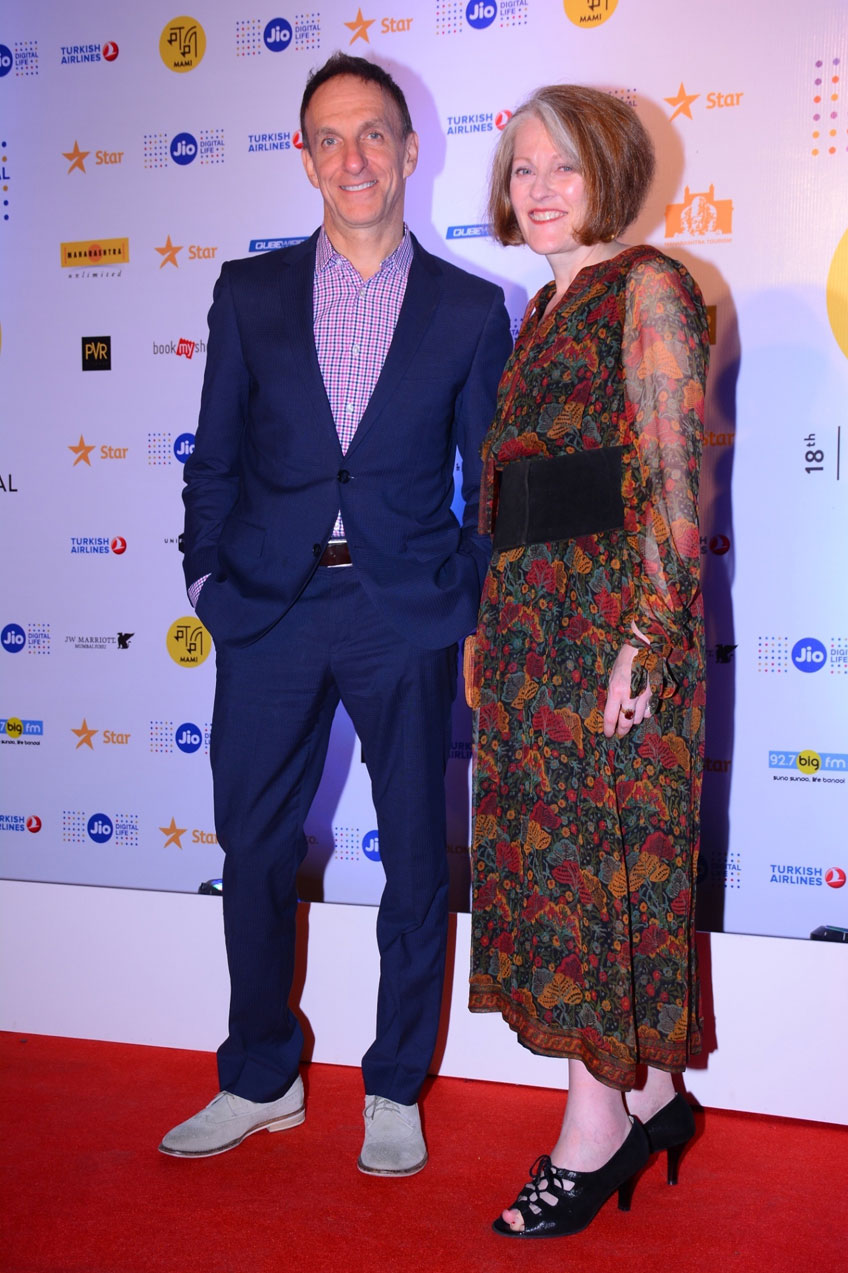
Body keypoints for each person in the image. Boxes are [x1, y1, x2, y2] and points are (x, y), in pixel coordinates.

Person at [161, 52, 512, 1176]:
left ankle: (395, 1085)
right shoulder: (249, 293)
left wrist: (466, 591)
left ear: (409, 151)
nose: (352, 156)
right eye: (329, 137)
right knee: (256, 845)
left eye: (372, 134)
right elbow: (213, 458)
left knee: (414, 855)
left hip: (402, 611)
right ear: (305, 158)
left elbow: (491, 484)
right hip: (269, 607)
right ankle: (259, 1075)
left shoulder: (471, 309)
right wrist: (205, 580)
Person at [466, 84, 709, 1235]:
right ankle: (653, 1094)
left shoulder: (647, 286)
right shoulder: (540, 305)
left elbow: (671, 476)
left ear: (610, 171)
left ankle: (595, 1127)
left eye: (563, 165)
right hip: (533, 632)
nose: (540, 188)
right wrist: (492, 624)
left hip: (608, 629)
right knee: (560, 869)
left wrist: (646, 640)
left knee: (594, 876)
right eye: (522, 169)